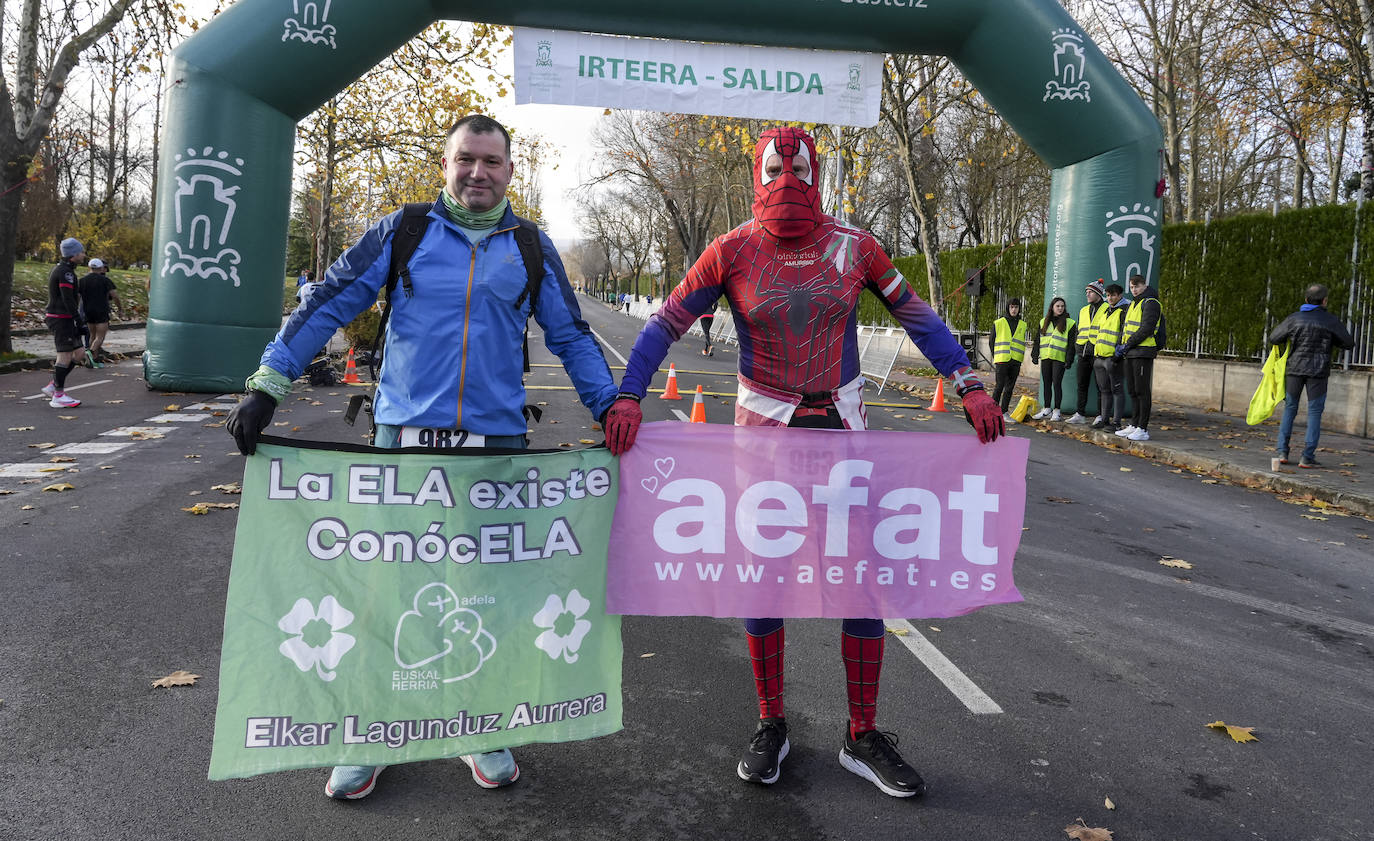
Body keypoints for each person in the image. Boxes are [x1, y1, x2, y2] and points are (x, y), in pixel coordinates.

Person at [600, 126, 1004, 799]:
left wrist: (968, 379)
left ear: (817, 173)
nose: (787, 177)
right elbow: (665, 323)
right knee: (763, 581)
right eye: (774, 167)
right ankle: (770, 724)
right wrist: (628, 392)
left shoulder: (855, 247)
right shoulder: (729, 250)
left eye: (799, 166)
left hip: (844, 432)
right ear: (756, 174)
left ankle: (863, 734)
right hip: (763, 438)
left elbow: (918, 316)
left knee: (862, 581)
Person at [227, 114, 621, 800]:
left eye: (492, 161)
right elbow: (328, 302)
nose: (478, 172)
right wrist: (270, 379)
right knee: (383, 597)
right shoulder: (402, 231)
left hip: (494, 453)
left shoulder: (530, 246)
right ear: (446, 164)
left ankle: (481, 722)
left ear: (509, 170)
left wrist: (610, 405)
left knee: (486, 597)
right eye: (465, 159)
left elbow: (573, 334)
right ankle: (370, 731)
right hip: (403, 449)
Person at [1268, 283, 1354, 468]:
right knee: (1314, 412)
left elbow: (1274, 338)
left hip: (1295, 371)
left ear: (1306, 299)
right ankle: (1307, 457)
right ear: (1324, 301)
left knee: (1290, 408)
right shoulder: (1330, 320)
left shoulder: (1294, 318)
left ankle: (1282, 451)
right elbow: (1348, 343)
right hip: (1318, 372)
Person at [1114, 274, 1163, 442]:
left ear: (1144, 285)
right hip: (1131, 353)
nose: (1134, 290)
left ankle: (1143, 428)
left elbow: (1147, 329)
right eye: (1132, 287)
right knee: (1133, 391)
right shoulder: (1134, 304)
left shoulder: (1151, 303)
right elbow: (1126, 328)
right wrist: (1122, 345)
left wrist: (1127, 344)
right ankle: (1134, 425)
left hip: (1143, 352)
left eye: (1137, 286)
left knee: (1142, 391)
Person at [40, 238, 87, 408]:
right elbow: (67, 298)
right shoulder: (64, 272)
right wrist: (78, 320)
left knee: (79, 353)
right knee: (65, 356)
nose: (83, 254)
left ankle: (53, 385)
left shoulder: (67, 270)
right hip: (61, 319)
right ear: (73, 255)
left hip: (66, 318)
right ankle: (58, 395)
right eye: (81, 252)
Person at [1029, 297, 1076, 421]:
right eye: (1058, 306)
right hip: (1046, 357)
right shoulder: (1043, 321)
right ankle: (1047, 409)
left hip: (1059, 358)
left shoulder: (1070, 323)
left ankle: (1057, 411)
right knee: (1046, 383)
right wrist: (1034, 354)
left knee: (1057, 383)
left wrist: (1069, 359)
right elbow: (1037, 340)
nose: (1060, 308)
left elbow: (1072, 344)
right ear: (1052, 307)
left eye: (1062, 306)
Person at [1064, 280, 1104, 424]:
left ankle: (1100, 416)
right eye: (1086, 292)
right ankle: (1080, 414)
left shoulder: (1106, 308)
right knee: (1082, 384)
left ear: (1098, 294)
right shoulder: (1083, 310)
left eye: (1090, 292)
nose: (1087, 294)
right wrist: (1077, 348)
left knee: (1101, 386)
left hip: (1099, 352)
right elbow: (1079, 331)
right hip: (1083, 352)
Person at [1090, 283, 1129, 431]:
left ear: (1119, 295)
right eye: (1108, 295)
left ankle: (1116, 422)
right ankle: (1104, 420)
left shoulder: (1124, 311)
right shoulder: (1107, 310)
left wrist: (1117, 355)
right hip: (1100, 357)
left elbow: (1123, 334)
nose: (1110, 298)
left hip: (1113, 358)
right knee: (1104, 390)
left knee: (1117, 390)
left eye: (1113, 295)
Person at [77, 258, 122, 361]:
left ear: (89, 267)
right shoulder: (105, 280)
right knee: (100, 337)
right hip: (102, 311)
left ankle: (94, 359)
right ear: (101, 268)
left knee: (92, 335)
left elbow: (77, 296)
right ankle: (90, 352)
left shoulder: (82, 281)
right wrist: (120, 309)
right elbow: (114, 295)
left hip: (88, 311)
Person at [990, 298, 1026, 422]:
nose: (1014, 310)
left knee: (1009, 388)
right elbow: (991, 341)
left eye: (1016, 307)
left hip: (1015, 360)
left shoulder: (1023, 324)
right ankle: (993, 411)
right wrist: (996, 356)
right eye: (1011, 307)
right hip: (1002, 359)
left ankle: (1004, 412)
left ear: (1019, 309)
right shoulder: (999, 322)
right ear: (1007, 307)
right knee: (999, 386)